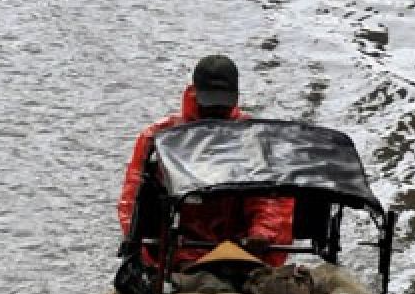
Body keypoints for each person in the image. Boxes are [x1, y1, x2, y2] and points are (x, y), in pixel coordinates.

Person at [117, 55, 293, 269]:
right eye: (210, 103)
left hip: (239, 252)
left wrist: (262, 234)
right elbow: (133, 200)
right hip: (179, 251)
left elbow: (271, 200)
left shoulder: (254, 139)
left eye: (222, 105)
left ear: (235, 98)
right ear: (194, 93)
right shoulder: (159, 138)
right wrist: (144, 254)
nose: (216, 111)